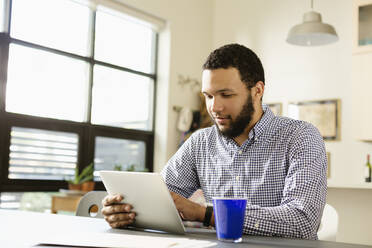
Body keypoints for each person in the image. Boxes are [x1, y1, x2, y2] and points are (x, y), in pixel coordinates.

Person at [101, 43, 327, 240]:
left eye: (226, 95)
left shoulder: (301, 137)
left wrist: (205, 213)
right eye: (208, 96)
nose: (214, 107)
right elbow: (162, 199)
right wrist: (125, 211)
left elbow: (302, 221)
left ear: (258, 91)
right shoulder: (200, 142)